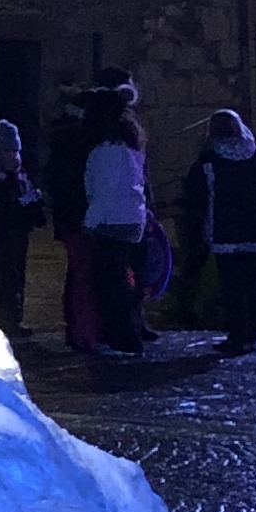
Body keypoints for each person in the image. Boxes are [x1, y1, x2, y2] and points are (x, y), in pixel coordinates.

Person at [186, 110, 256, 352]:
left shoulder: (208, 161)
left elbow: (198, 198)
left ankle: (237, 334)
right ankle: (251, 333)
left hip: (224, 231)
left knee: (232, 285)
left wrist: (199, 232)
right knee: (252, 283)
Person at [77, 82, 152, 354]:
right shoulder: (132, 149)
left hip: (109, 221)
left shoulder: (104, 152)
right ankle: (129, 332)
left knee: (110, 283)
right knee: (124, 278)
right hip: (132, 220)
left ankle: (122, 336)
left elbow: (103, 191)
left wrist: (90, 222)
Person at [0, 119, 42, 336]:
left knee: (17, 275)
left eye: (15, 151)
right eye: (8, 151)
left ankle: (15, 319)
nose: (12, 156)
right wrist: (21, 202)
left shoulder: (18, 171)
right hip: (4, 231)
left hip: (19, 231)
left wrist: (33, 205)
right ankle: (7, 321)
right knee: (6, 277)